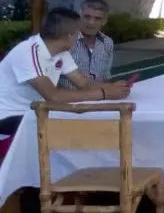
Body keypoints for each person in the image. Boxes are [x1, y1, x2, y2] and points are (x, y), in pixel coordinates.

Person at [0, 7, 131, 139]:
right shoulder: (28, 52)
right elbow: (53, 96)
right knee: (84, 132)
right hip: (10, 116)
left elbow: (83, 83)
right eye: (77, 33)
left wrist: (113, 87)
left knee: (89, 127)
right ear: (70, 35)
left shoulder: (61, 52)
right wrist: (104, 94)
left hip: (35, 111)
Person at [59, 0, 114, 89]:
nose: (91, 22)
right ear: (79, 16)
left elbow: (106, 77)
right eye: (87, 17)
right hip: (70, 96)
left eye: (97, 18)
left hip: (99, 95)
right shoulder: (66, 41)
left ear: (104, 21)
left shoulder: (107, 43)